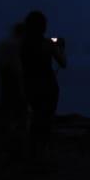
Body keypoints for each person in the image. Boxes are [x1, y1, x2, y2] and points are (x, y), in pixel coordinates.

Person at [20, 11, 67, 160]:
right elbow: (63, 63)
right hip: (48, 87)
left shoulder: (23, 45)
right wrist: (60, 48)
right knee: (46, 120)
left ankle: (33, 152)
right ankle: (42, 153)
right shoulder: (48, 44)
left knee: (35, 119)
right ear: (43, 27)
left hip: (30, 87)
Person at [0, 22, 27, 157]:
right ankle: (17, 145)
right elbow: (18, 66)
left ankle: (4, 142)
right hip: (15, 81)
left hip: (5, 80)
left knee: (5, 110)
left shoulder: (3, 45)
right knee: (20, 113)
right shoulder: (19, 46)